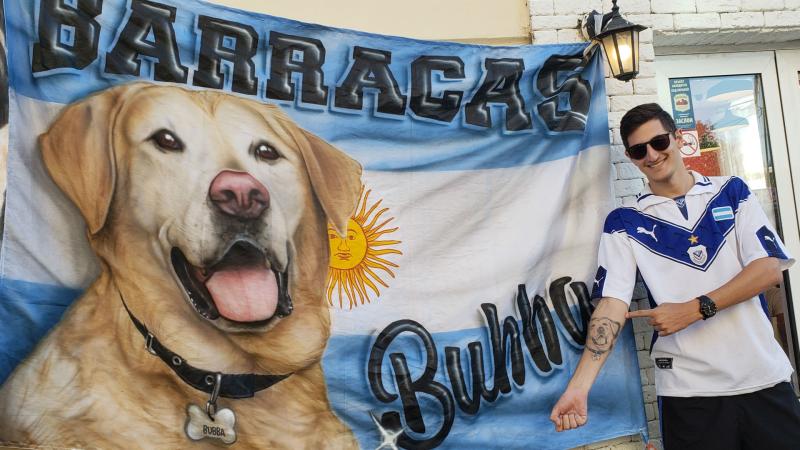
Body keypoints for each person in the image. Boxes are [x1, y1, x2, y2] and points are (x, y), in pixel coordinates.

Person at [550, 103, 800, 449]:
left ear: (678, 139)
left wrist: (696, 308)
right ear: (631, 157)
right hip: (688, 393)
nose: (651, 155)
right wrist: (579, 387)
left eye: (659, 142)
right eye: (639, 150)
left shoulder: (732, 192)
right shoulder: (625, 222)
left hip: (763, 379)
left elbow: (768, 269)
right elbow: (611, 305)